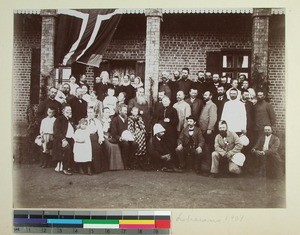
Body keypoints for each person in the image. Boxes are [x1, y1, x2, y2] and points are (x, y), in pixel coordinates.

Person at [110, 104, 138, 170]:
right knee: (126, 145)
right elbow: (113, 133)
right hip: (118, 138)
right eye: (124, 111)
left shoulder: (127, 119)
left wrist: (131, 136)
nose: (126, 112)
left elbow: (129, 130)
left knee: (135, 144)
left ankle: (130, 163)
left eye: (126, 111)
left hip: (127, 138)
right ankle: (125, 164)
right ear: (120, 111)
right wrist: (120, 138)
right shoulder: (115, 120)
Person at [52, 104, 74, 175]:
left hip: (71, 139)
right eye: (67, 110)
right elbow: (57, 131)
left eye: (70, 110)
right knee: (67, 149)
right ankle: (65, 168)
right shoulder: (59, 119)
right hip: (61, 140)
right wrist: (63, 140)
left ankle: (74, 166)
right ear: (63, 111)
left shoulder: (70, 119)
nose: (69, 111)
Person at [198, 91, 217, 155]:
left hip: (207, 130)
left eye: (206, 95)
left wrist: (210, 128)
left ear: (210, 96)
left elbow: (213, 117)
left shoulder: (212, 105)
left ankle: (208, 163)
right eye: (204, 95)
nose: (204, 96)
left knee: (208, 147)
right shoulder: (205, 104)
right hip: (202, 129)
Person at [87, 108, 105, 174]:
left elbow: (100, 130)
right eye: (88, 112)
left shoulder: (97, 121)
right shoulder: (85, 121)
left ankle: (96, 168)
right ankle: (89, 168)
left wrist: (100, 138)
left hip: (95, 136)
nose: (90, 114)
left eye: (91, 112)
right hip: (87, 137)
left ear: (94, 113)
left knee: (96, 148)